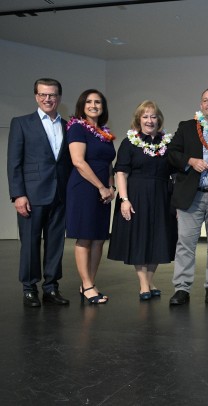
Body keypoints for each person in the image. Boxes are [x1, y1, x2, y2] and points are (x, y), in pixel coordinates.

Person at [8, 78, 73, 307]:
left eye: (52, 95)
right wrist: (18, 195)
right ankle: (29, 288)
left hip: (60, 195)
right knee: (30, 243)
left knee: (56, 243)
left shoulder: (68, 126)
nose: (48, 99)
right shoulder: (21, 123)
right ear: (36, 96)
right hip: (31, 196)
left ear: (59, 97)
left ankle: (51, 287)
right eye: (43, 94)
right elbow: (14, 163)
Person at [107, 101, 177, 300]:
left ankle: (150, 281)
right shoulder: (129, 142)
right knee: (140, 239)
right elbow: (121, 173)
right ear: (138, 119)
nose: (149, 120)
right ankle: (143, 285)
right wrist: (124, 199)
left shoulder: (167, 143)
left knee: (157, 240)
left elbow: (174, 172)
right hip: (137, 196)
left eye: (153, 116)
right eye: (145, 116)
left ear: (159, 119)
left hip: (162, 196)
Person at [167, 88, 208, 305]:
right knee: (185, 242)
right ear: (201, 104)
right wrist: (191, 161)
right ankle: (182, 288)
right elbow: (171, 153)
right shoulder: (187, 127)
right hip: (191, 195)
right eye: (206, 100)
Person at [66, 89, 117, 304]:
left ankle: (89, 284)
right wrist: (100, 187)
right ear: (82, 105)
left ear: (103, 107)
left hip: (103, 189)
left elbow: (108, 164)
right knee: (85, 237)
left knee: (99, 239)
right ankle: (87, 285)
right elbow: (78, 162)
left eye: (98, 102)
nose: (93, 105)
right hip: (84, 187)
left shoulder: (103, 132)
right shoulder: (77, 128)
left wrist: (111, 187)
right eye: (89, 102)